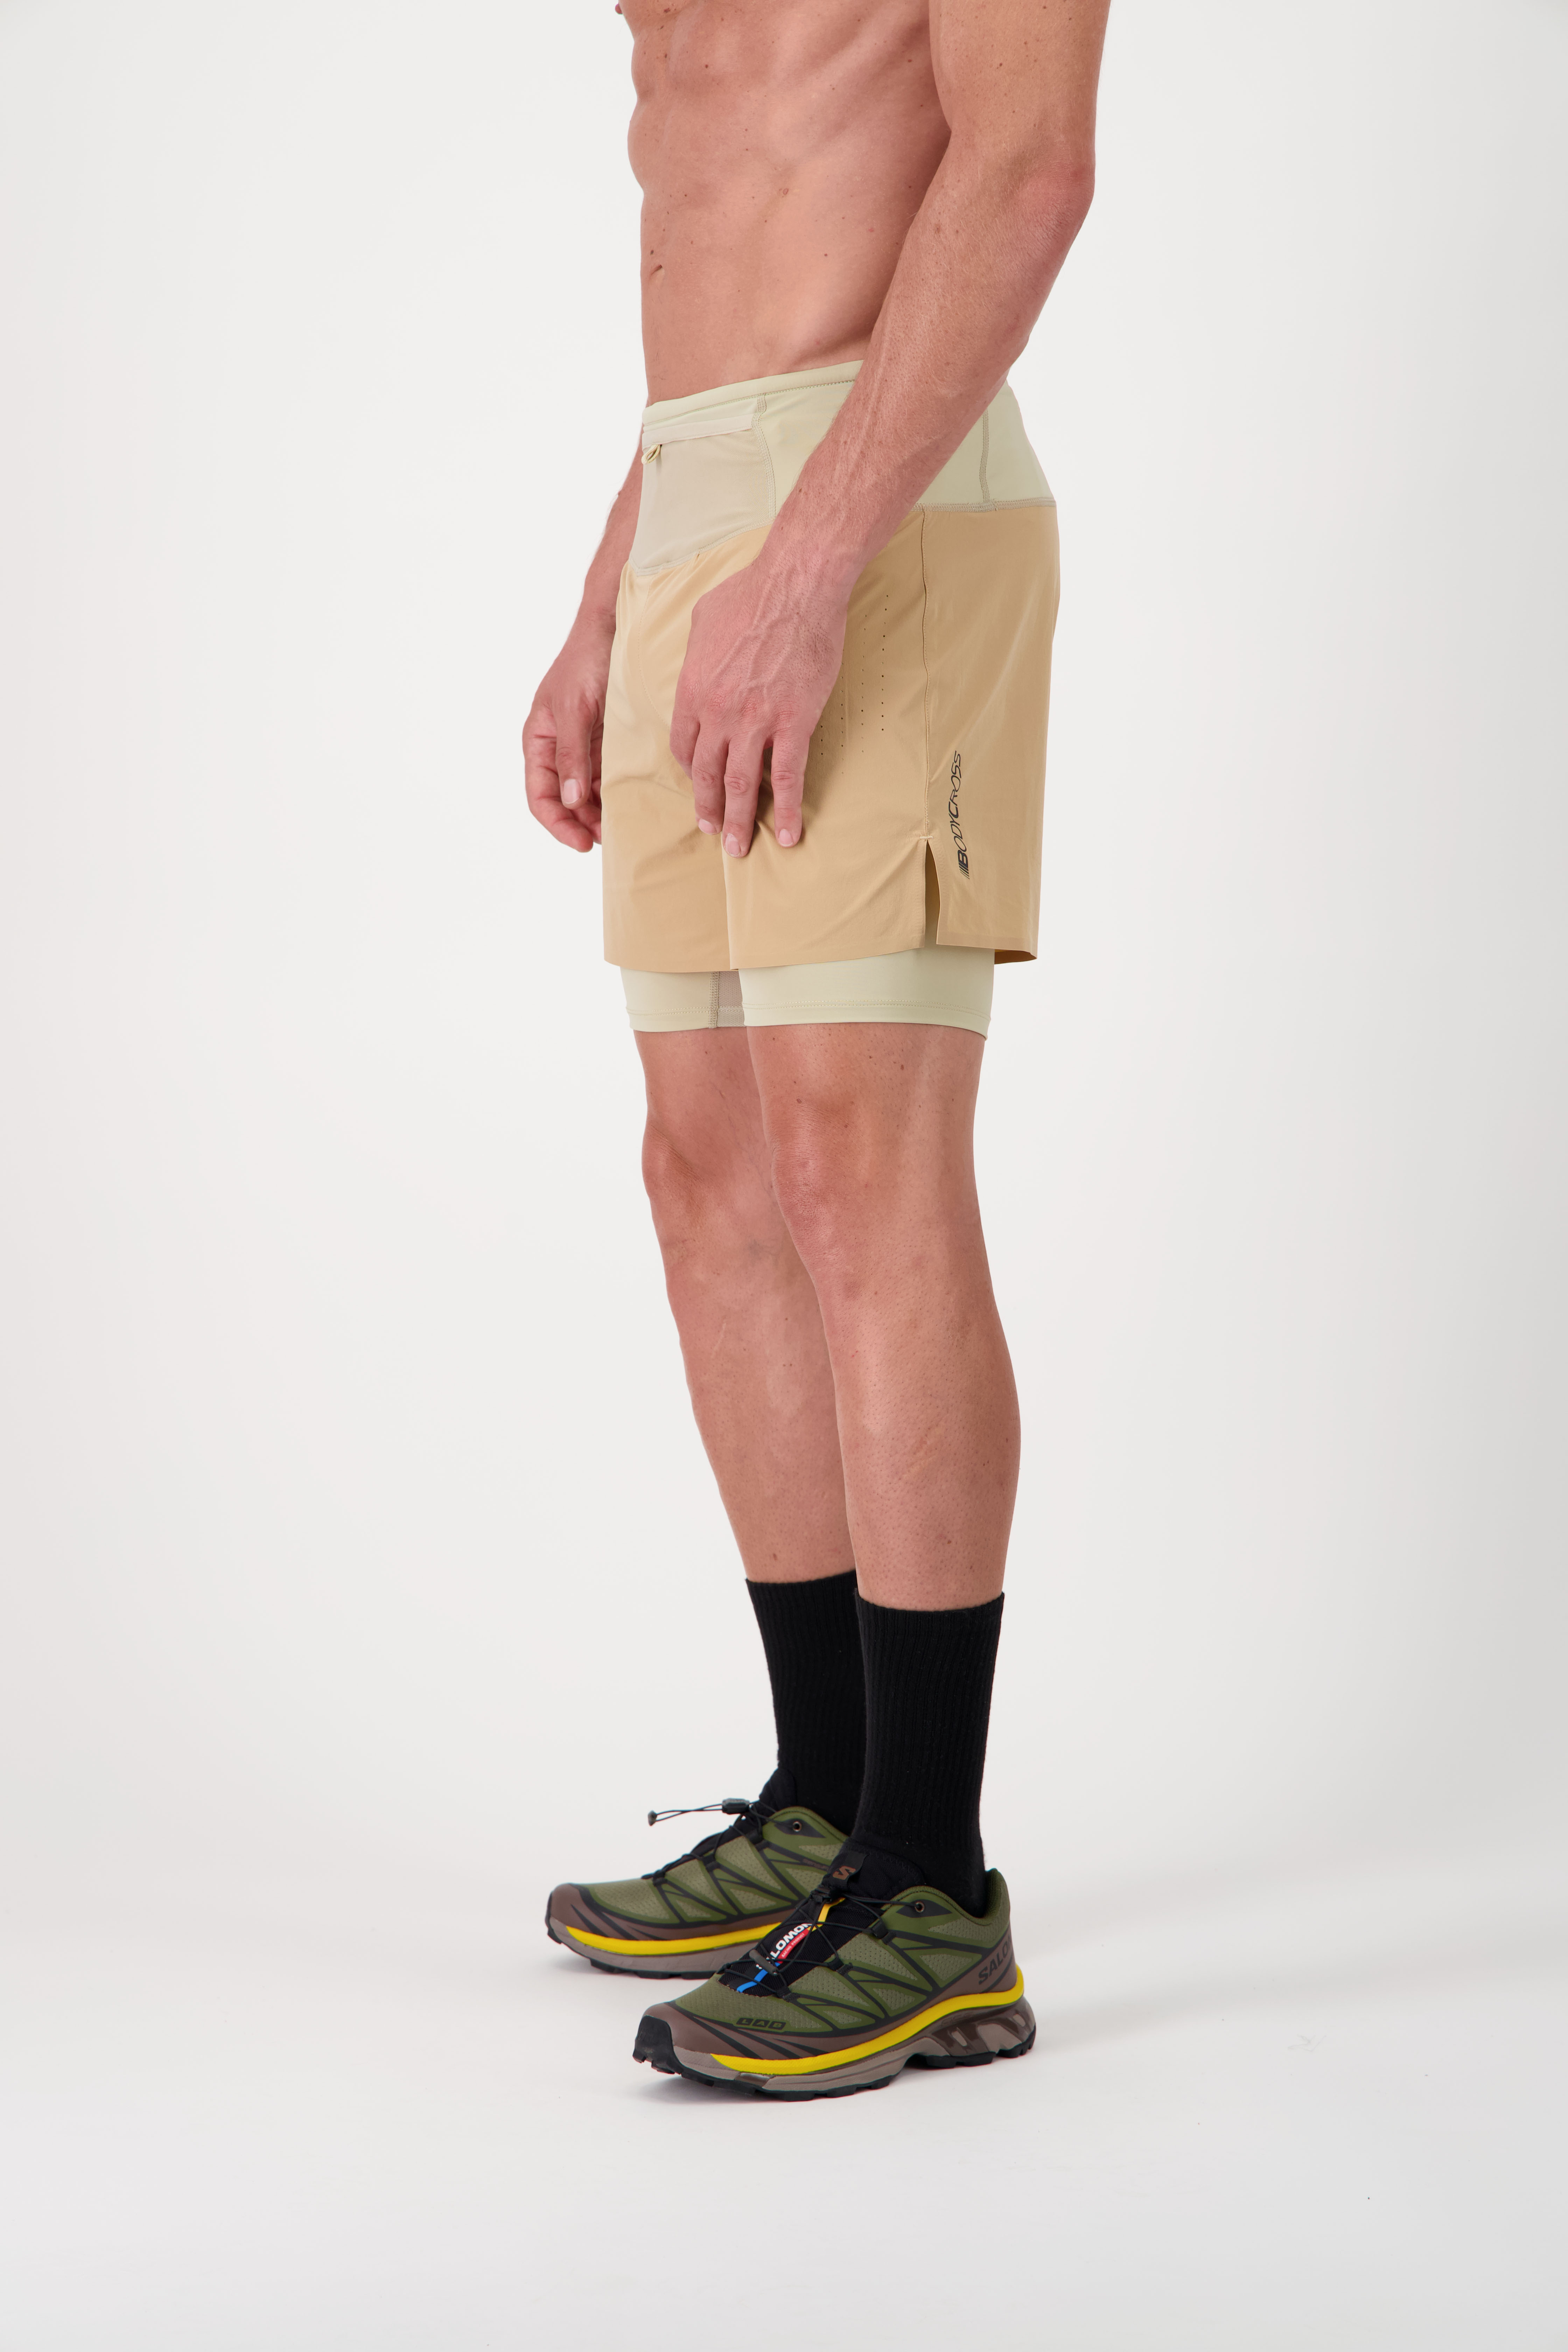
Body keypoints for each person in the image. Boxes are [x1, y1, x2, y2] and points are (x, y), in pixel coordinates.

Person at [523, 0, 1110, 2099]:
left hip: (879, 510)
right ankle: (824, 1800)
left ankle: (931, 1878)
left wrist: (813, 563)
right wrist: (618, 595)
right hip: (707, 502)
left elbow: (1023, 171)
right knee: (710, 1175)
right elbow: (729, 197)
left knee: (863, 1168)